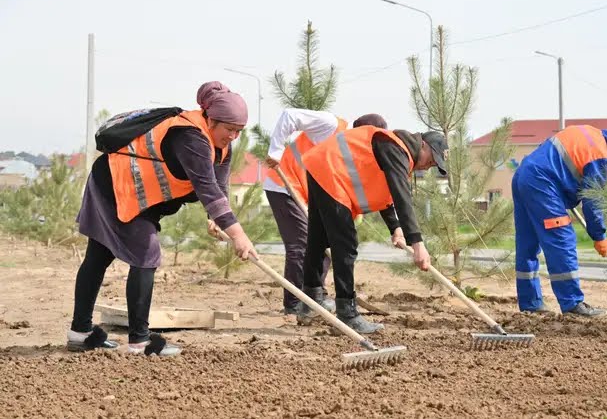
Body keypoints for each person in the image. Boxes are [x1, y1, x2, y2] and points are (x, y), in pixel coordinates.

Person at [66, 81, 257, 356]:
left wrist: (214, 218)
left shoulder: (222, 146)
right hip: (116, 185)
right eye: (229, 129)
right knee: (144, 254)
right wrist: (238, 235)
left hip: (137, 194)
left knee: (100, 256)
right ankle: (139, 342)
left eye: (239, 131)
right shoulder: (190, 137)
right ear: (211, 120)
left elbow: (218, 188)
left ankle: (80, 332)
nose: (234, 137)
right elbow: (207, 188)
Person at [297, 125, 448, 333]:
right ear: (423, 144)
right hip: (331, 171)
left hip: (321, 165)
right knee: (346, 244)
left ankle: (310, 302)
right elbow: (401, 196)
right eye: (431, 159)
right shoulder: (396, 149)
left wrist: (395, 227)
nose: (429, 166)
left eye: (434, 166)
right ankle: (347, 314)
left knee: (319, 237)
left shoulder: (395, 150)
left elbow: (385, 190)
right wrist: (417, 243)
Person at [262, 108, 389, 315]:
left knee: (325, 242)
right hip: (285, 185)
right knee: (301, 246)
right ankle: (295, 303)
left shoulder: (356, 152)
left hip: (309, 195)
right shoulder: (330, 125)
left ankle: (315, 297)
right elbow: (289, 115)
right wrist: (275, 150)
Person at [513, 123, 607, 316]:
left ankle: (530, 303)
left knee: (527, 245)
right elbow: (592, 199)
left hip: (524, 174)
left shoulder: (587, 132)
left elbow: (562, 165)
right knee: (562, 239)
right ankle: (572, 304)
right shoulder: (599, 154)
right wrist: (599, 236)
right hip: (542, 182)